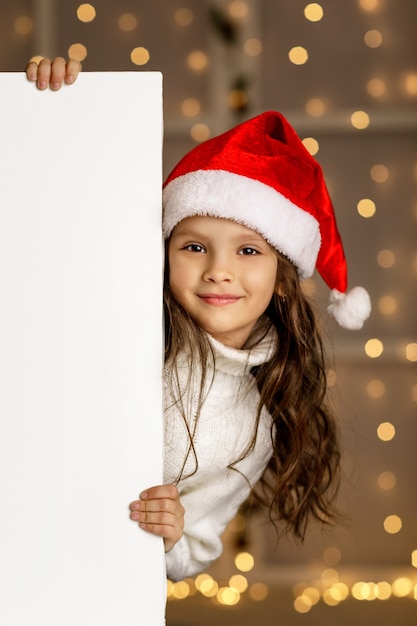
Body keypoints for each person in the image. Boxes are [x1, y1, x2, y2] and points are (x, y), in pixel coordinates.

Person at [25, 59, 371, 582]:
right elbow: (45, 222)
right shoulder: (120, 320)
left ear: (281, 275)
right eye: (194, 246)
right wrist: (53, 106)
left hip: (75, 580)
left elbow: (194, 550)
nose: (218, 271)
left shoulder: (251, 429)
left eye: (249, 250)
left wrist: (172, 533)